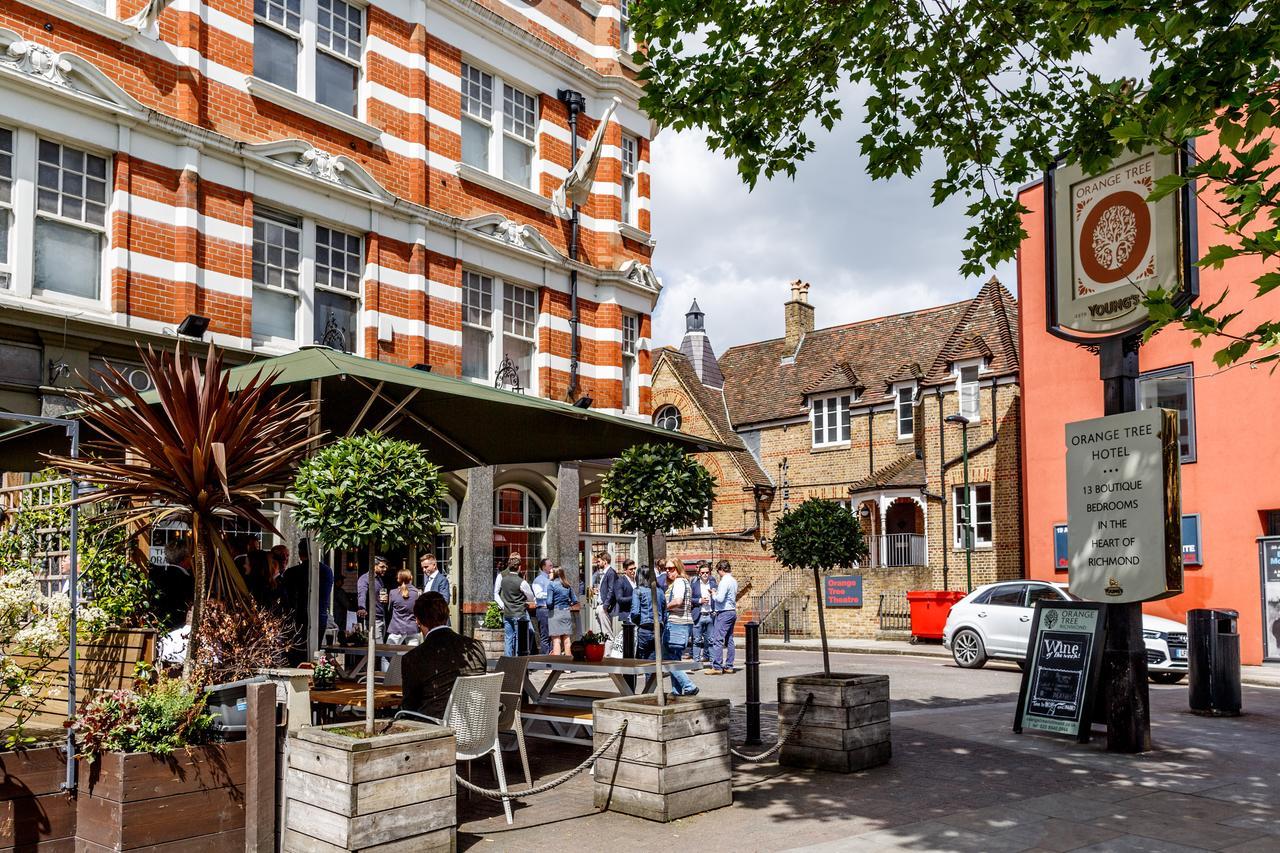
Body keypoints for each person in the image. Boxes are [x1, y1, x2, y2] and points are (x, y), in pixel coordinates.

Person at [400, 591, 487, 720]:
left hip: (436, 729)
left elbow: (409, 707)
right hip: (478, 726)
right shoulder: (476, 648)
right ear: (447, 616)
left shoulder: (413, 658)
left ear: (417, 621)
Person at [660, 559, 698, 696]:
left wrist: (662, 607)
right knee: (675, 659)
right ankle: (677, 692)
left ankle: (689, 686)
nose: (668, 571)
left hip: (677, 624)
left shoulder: (679, 582)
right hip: (683, 624)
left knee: (667, 659)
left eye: (671, 568)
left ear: (678, 568)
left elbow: (678, 601)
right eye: (666, 569)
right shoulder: (684, 582)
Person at [496, 553, 536, 656]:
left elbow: (501, 593)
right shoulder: (521, 581)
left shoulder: (503, 580)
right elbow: (531, 597)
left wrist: (504, 606)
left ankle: (508, 661)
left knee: (508, 638)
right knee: (519, 638)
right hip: (519, 612)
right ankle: (518, 662)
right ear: (519, 567)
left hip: (508, 613)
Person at [152, 540, 194, 632]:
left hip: (161, 626)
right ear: (185, 558)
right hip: (179, 628)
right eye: (190, 556)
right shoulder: (186, 580)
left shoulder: (162, 575)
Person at [706, 559, 738, 675]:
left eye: (718, 571)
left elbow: (719, 599)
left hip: (724, 612)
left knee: (717, 639)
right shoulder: (734, 581)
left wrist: (713, 593)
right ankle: (729, 665)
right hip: (732, 611)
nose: (718, 574)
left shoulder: (725, 581)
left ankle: (717, 667)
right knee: (729, 639)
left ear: (721, 569)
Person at [356, 556, 391, 643]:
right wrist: (362, 608)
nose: (385, 569)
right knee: (379, 648)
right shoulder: (365, 579)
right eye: (382, 567)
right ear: (373, 566)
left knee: (379, 646)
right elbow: (362, 594)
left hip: (381, 617)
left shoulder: (379, 579)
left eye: (386, 567)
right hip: (373, 619)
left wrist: (385, 599)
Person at [547, 565, 577, 656]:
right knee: (567, 640)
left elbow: (549, 602)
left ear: (556, 573)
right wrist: (568, 604)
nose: (549, 573)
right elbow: (574, 600)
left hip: (555, 613)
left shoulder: (551, 584)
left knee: (556, 641)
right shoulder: (567, 585)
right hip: (566, 613)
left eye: (551, 572)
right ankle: (568, 666)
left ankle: (557, 665)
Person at [630, 564, 659, 660]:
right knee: (654, 661)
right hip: (658, 629)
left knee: (643, 660)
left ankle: (648, 675)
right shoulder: (660, 591)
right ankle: (650, 675)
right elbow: (664, 611)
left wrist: (639, 622)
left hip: (644, 628)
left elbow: (635, 612)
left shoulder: (638, 591)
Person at [386, 569, 422, 645]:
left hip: (396, 628)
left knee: (387, 655)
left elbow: (389, 609)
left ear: (398, 579)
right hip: (412, 628)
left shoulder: (393, 592)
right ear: (411, 578)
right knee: (413, 654)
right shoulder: (418, 593)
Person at [690, 561, 716, 663]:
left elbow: (719, 599)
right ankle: (696, 662)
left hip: (710, 614)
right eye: (702, 573)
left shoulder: (714, 584)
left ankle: (713, 662)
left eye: (707, 572)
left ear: (709, 573)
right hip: (698, 615)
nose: (705, 575)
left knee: (711, 640)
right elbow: (689, 599)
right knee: (696, 640)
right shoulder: (694, 585)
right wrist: (699, 600)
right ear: (699, 574)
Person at [594, 552, 618, 653]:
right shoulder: (604, 572)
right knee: (602, 633)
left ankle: (608, 656)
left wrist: (605, 606)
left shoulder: (611, 572)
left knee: (607, 633)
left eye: (599, 561)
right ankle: (602, 655)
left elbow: (612, 590)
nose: (597, 563)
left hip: (604, 607)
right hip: (600, 606)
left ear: (605, 561)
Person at [532, 558, 554, 655]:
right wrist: (551, 594)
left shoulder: (551, 578)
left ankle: (552, 657)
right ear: (544, 567)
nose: (552, 568)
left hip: (551, 609)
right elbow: (538, 594)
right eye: (550, 566)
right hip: (543, 609)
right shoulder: (538, 580)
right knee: (545, 636)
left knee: (553, 635)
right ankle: (545, 658)